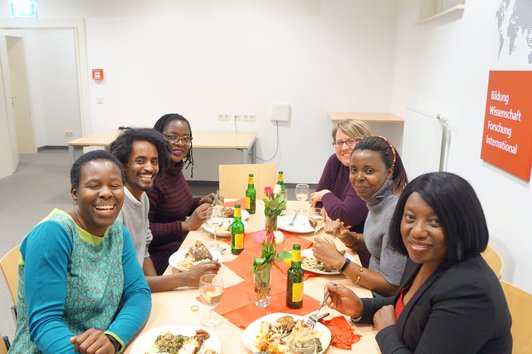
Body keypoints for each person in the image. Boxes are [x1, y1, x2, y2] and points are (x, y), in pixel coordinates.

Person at [324, 172, 512, 354]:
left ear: (460, 224)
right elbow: (412, 306)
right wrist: (361, 308)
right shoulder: (425, 256)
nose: (417, 231)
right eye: (410, 218)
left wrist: (387, 331)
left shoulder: (469, 292)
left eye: (434, 221)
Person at [10, 150, 151, 354]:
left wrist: (113, 340)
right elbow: (44, 323)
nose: (106, 193)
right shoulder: (53, 234)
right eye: (94, 186)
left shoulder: (117, 232)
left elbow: (139, 292)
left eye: (114, 186)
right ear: (74, 193)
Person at [110, 128, 220, 292]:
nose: (149, 168)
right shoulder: (115, 208)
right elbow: (119, 282)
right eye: (140, 161)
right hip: (122, 295)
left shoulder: (143, 198)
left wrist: (160, 289)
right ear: (123, 166)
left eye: (154, 162)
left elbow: (144, 249)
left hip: (141, 285)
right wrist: (184, 279)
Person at [313, 136, 408, 296]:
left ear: (389, 172)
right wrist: (349, 237)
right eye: (353, 170)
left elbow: (392, 286)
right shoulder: (377, 198)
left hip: (380, 301)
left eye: (369, 171)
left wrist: (340, 262)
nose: (358, 178)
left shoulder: (395, 211)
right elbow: (379, 245)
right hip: (368, 289)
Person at [147, 113, 217, 274]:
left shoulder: (173, 168)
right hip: (159, 256)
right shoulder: (153, 177)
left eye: (186, 138)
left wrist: (198, 202)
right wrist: (187, 225)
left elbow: (175, 206)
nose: (180, 143)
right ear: (158, 138)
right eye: (172, 137)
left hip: (179, 242)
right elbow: (144, 230)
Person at [311, 119, 372, 234]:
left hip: (359, 241)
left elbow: (347, 216)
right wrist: (330, 213)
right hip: (335, 232)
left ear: (365, 143)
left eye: (350, 141)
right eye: (339, 142)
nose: (344, 148)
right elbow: (316, 201)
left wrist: (325, 194)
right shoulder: (334, 161)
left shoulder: (367, 172)